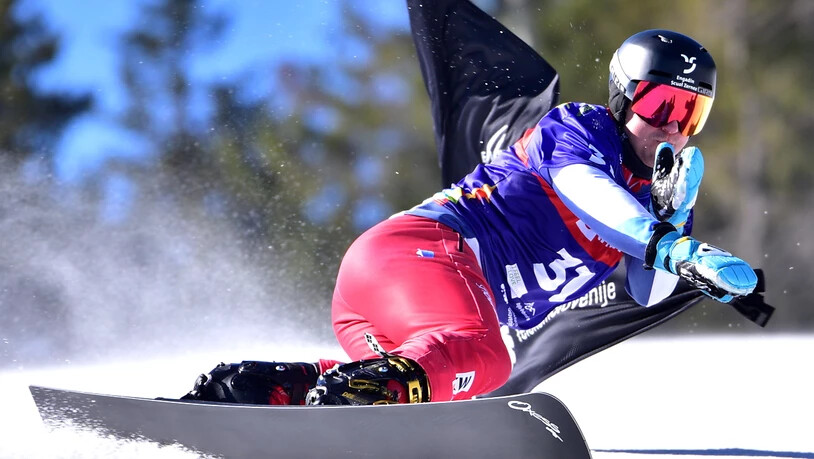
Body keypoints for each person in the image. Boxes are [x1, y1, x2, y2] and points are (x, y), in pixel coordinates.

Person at [182, 27, 760, 406]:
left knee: (426, 385)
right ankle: (358, 393)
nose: (673, 128)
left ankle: (258, 389)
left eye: (693, 113)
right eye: (661, 104)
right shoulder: (581, 129)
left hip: (389, 306)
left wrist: (673, 216)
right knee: (486, 360)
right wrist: (671, 244)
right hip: (418, 253)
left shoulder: (656, 204)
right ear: (623, 97)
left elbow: (647, 290)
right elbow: (587, 192)